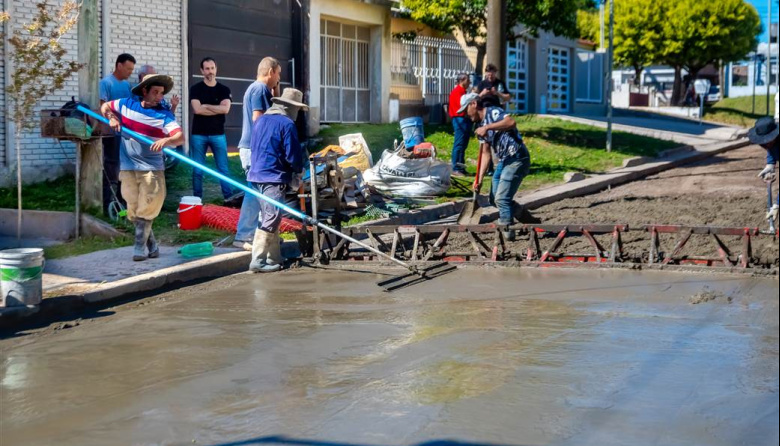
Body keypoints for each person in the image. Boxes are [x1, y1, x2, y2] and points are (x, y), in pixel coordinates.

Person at [100, 74, 185, 261]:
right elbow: (105, 106)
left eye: (161, 93)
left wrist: (166, 140)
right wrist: (111, 118)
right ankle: (152, 245)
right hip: (128, 166)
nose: (159, 97)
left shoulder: (164, 115)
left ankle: (139, 248)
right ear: (144, 91)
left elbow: (180, 137)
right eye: (155, 92)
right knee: (134, 210)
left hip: (151, 169)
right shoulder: (126, 105)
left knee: (148, 207)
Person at [460, 93, 540, 241]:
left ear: (473, 104)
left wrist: (488, 127)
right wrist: (479, 178)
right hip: (504, 161)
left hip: (517, 157)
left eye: (465, 109)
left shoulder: (493, 112)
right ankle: (530, 221)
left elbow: (511, 122)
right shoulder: (478, 127)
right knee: (494, 199)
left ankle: (508, 235)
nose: (465, 114)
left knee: (502, 198)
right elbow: (485, 154)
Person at [247, 88, 308, 273]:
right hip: (272, 177)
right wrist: (299, 171)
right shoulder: (286, 124)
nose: (297, 115)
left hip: (255, 175)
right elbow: (292, 155)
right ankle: (257, 261)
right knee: (272, 217)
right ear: (290, 108)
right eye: (297, 110)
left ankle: (274, 258)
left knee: (269, 217)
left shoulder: (261, 120)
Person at [234, 57, 282, 250]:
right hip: (255, 149)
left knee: (260, 192)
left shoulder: (255, 89)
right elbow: (259, 120)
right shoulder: (260, 89)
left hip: (251, 148)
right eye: (278, 73)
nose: (278, 78)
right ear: (270, 72)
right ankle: (244, 235)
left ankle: (262, 235)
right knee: (256, 193)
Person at [188, 57, 238, 203]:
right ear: (202, 71)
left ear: (216, 69)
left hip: (218, 134)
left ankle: (228, 198)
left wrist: (207, 106)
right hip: (199, 135)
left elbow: (226, 109)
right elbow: (197, 110)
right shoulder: (195, 89)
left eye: (212, 68)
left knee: (223, 168)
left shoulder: (224, 89)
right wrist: (217, 108)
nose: (210, 71)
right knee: (197, 170)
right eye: (207, 69)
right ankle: (197, 199)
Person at [99, 53, 136, 215]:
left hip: (126, 133)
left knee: (125, 167)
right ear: (119, 65)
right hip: (112, 133)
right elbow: (103, 105)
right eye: (128, 69)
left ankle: (122, 202)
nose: (130, 72)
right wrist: (112, 119)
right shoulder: (106, 83)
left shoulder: (127, 86)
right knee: (111, 165)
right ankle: (107, 201)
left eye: (132, 69)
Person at [747, 117, 779, 222]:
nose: (765, 144)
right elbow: (772, 150)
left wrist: (777, 204)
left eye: (768, 141)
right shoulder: (772, 143)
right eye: (763, 142)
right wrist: (770, 164)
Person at [448, 73, 472, 177]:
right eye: (468, 80)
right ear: (462, 81)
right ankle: (455, 168)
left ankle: (461, 167)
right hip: (460, 119)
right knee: (459, 144)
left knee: (463, 145)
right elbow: (461, 107)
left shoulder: (462, 92)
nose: (469, 82)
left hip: (464, 119)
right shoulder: (457, 92)